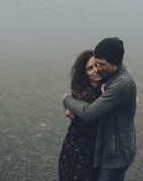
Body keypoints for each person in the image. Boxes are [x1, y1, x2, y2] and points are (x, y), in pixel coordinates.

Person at [63, 37, 137, 181]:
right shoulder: (115, 74)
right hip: (109, 150)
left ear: (114, 62)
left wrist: (66, 99)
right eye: (95, 64)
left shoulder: (120, 84)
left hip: (116, 154)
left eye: (101, 64)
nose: (98, 68)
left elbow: (89, 113)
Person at [58, 50, 103, 181]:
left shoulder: (108, 89)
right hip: (77, 148)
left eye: (97, 65)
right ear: (84, 73)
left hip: (95, 149)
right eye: (90, 68)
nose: (96, 70)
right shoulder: (79, 95)